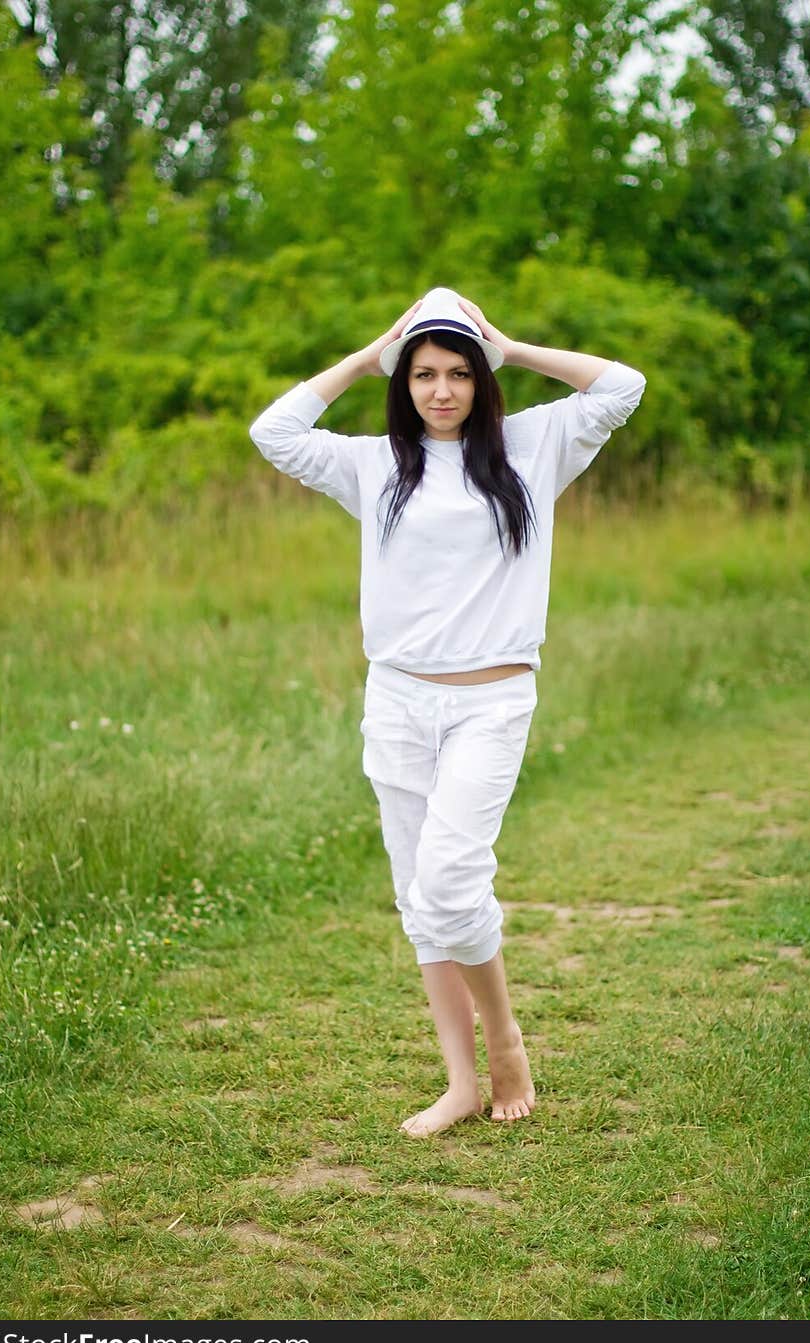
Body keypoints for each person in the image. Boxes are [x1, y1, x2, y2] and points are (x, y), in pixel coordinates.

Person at [249, 287, 646, 1137]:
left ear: (481, 380)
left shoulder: (535, 446)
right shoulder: (374, 465)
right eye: (423, 373)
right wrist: (366, 354)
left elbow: (622, 386)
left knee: (451, 878)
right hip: (397, 700)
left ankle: (505, 1039)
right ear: (404, 382)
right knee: (417, 895)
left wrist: (511, 344)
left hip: (491, 702)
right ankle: (460, 1082)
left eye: (459, 373)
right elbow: (273, 432)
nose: (440, 390)